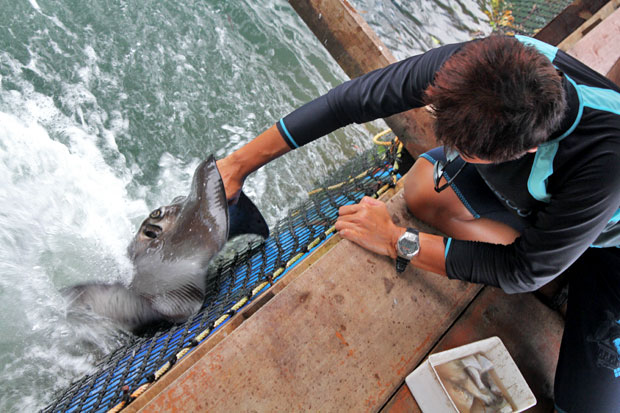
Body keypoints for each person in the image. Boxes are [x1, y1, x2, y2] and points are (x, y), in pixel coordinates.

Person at [216, 35, 620, 411]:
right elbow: (352, 100)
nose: (450, 147)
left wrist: (397, 240)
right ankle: (558, 253)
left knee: (580, 404)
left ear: (527, 148)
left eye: (467, 150)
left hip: (611, 255)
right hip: (548, 206)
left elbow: (521, 270)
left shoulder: (605, 162)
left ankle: (563, 263)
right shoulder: (487, 64)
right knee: (424, 190)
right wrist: (238, 166)